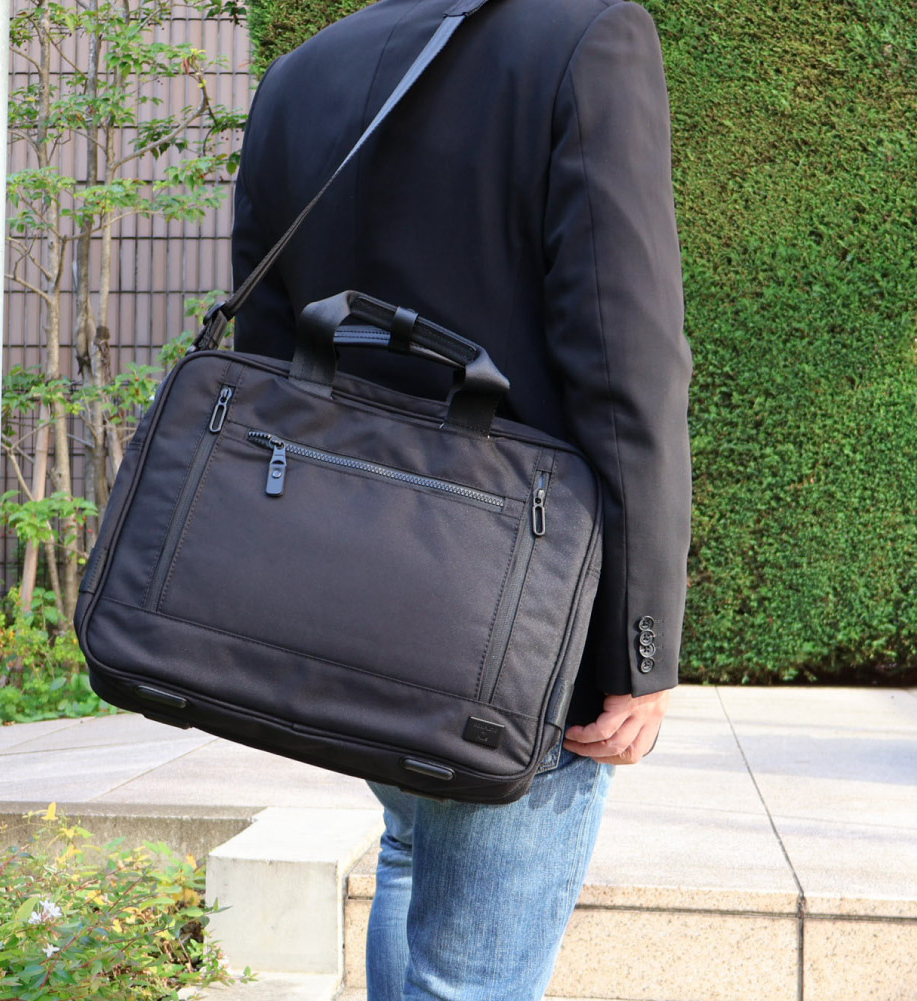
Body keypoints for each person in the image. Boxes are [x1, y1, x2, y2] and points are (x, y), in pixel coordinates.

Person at [230, 0, 691, 996]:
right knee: (471, 975)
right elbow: (626, 360)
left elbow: (268, 363)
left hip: (346, 598)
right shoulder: (590, 36)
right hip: (512, 621)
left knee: (410, 849)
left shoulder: (303, 71)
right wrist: (638, 644)